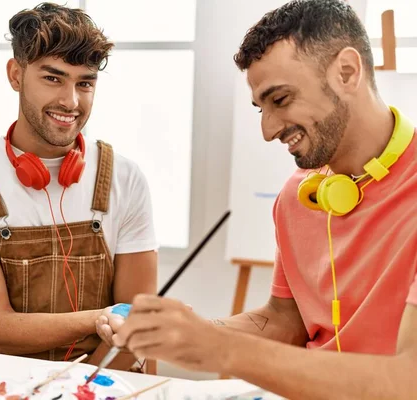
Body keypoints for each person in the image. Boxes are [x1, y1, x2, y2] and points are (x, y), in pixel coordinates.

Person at [102, 0, 417, 397]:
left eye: (280, 100)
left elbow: (410, 380)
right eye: (260, 108)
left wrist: (220, 350)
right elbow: (284, 321)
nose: (268, 131)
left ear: (347, 72)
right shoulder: (298, 195)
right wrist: (184, 332)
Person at [0, 2, 158, 371]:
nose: (71, 102)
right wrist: (98, 319)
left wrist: (85, 386)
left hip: (101, 375)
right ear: (15, 75)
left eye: (84, 83)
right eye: (52, 78)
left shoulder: (126, 179)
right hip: (1, 381)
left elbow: (134, 330)